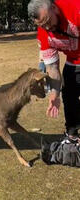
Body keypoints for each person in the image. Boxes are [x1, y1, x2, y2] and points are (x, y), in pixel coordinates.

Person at [28, 0, 80, 142]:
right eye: (42, 25)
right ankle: (72, 134)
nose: (47, 27)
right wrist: (54, 94)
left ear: (54, 8)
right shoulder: (44, 33)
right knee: (68, 96)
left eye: (48, 21)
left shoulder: (75, 9)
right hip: (73, 61)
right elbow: (52, 67)